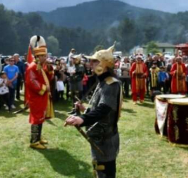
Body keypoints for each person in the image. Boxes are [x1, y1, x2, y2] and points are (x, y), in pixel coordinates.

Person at [65, 44, 122, 178]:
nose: (90, 64)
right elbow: (100, 107)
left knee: (105, 171)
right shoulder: (102, 82)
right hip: (99, 136)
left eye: (95, 61)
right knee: (98, 169)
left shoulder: (111, 84)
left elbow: (105, 109)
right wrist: (86, 110)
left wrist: (83, 119)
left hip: (105, 138)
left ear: (105, 64)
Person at [26, 36, 54, 149]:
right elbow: (31, 81)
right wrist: (43, 88)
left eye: (45, 55)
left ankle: (38, 137)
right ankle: (34, 141)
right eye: (43, 56)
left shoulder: (42, 66)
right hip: (36, 96)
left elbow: (49, 77)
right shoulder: (32, 67)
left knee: (41, 117)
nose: (45, 57)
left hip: (42, 96)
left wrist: (50, 69)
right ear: (37, 56)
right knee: (36, 117)